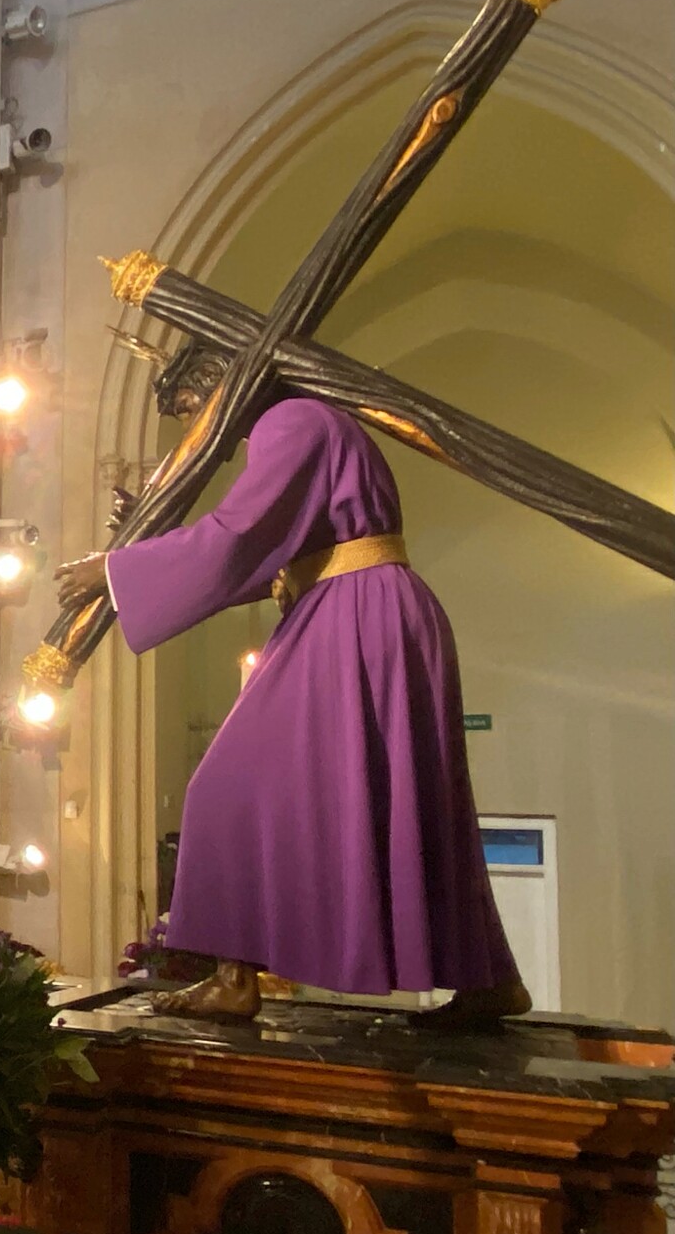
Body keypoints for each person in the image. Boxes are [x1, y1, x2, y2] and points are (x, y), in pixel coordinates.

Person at [54, 397, 527, 1025]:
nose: (193, 407)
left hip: (352, 612)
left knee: (225, 786)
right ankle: (487, 979)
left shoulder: (291, 420)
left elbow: (242, 534)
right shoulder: (316, 425)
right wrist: (143, 560)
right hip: (365, 606)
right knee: (419, 794)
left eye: (198, 390)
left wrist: (114, 572)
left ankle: (233, 977)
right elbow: (267, 550)